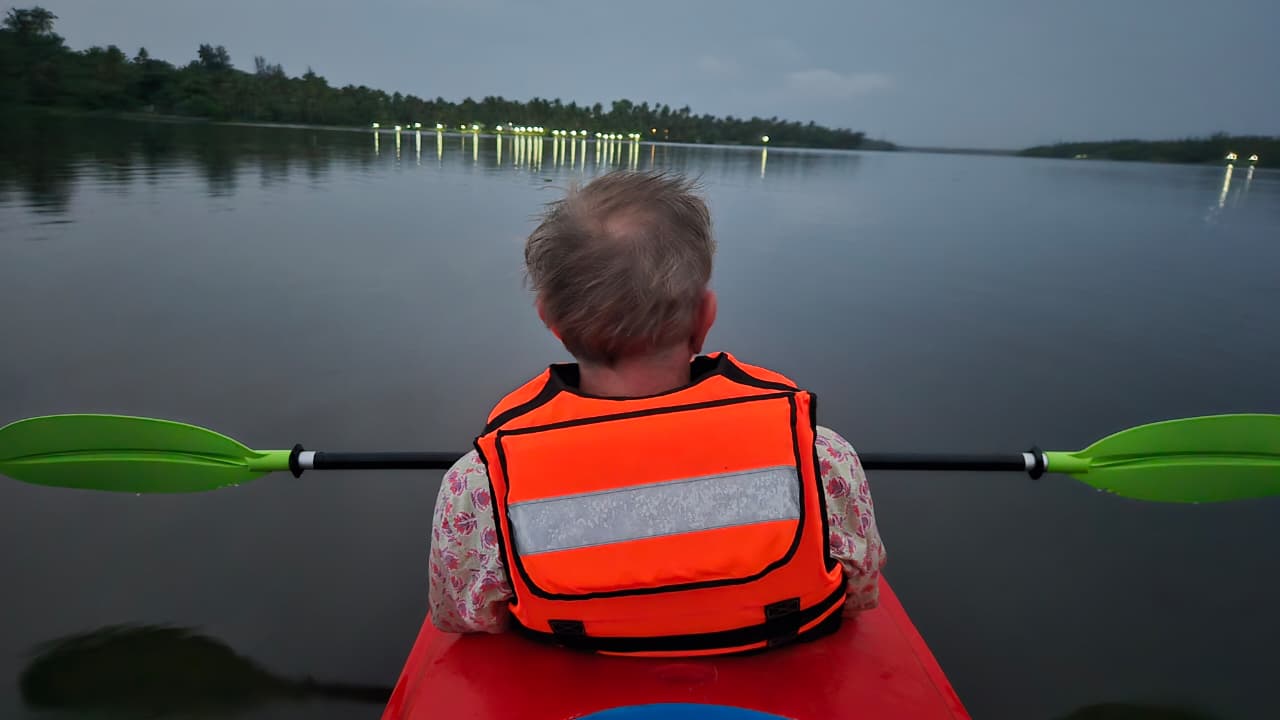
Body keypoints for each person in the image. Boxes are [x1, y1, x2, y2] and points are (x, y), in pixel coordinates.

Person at [428, 170, 886, 656]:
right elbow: (859, 594)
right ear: (705, 316)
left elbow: (462, 614)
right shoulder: (820, 455)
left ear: (551, 321)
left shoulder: (480, 483)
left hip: (579, 665)